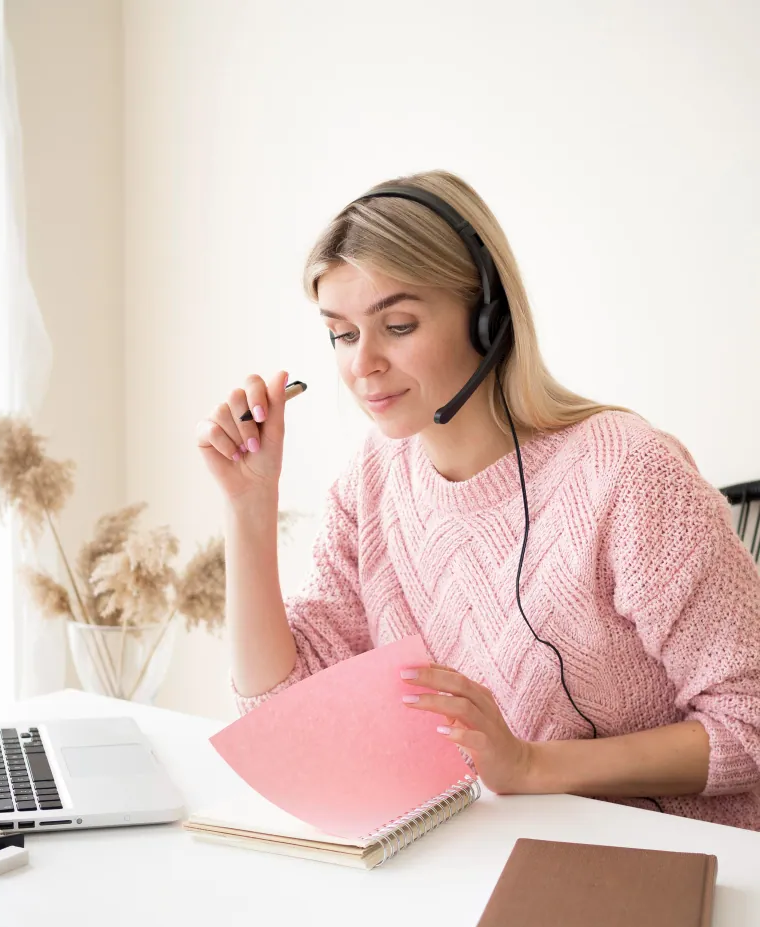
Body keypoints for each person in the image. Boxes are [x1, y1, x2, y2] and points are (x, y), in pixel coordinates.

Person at [196, 169, 760, 832]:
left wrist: (529, 766)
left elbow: (749, 722)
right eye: (342, 334)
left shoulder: (630, 473)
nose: (362, 364)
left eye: (398, 325)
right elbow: (284, 712)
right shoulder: (371, 481)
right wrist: (249, 506)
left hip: (665, 856)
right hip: (482, 850)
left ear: (487, 318)